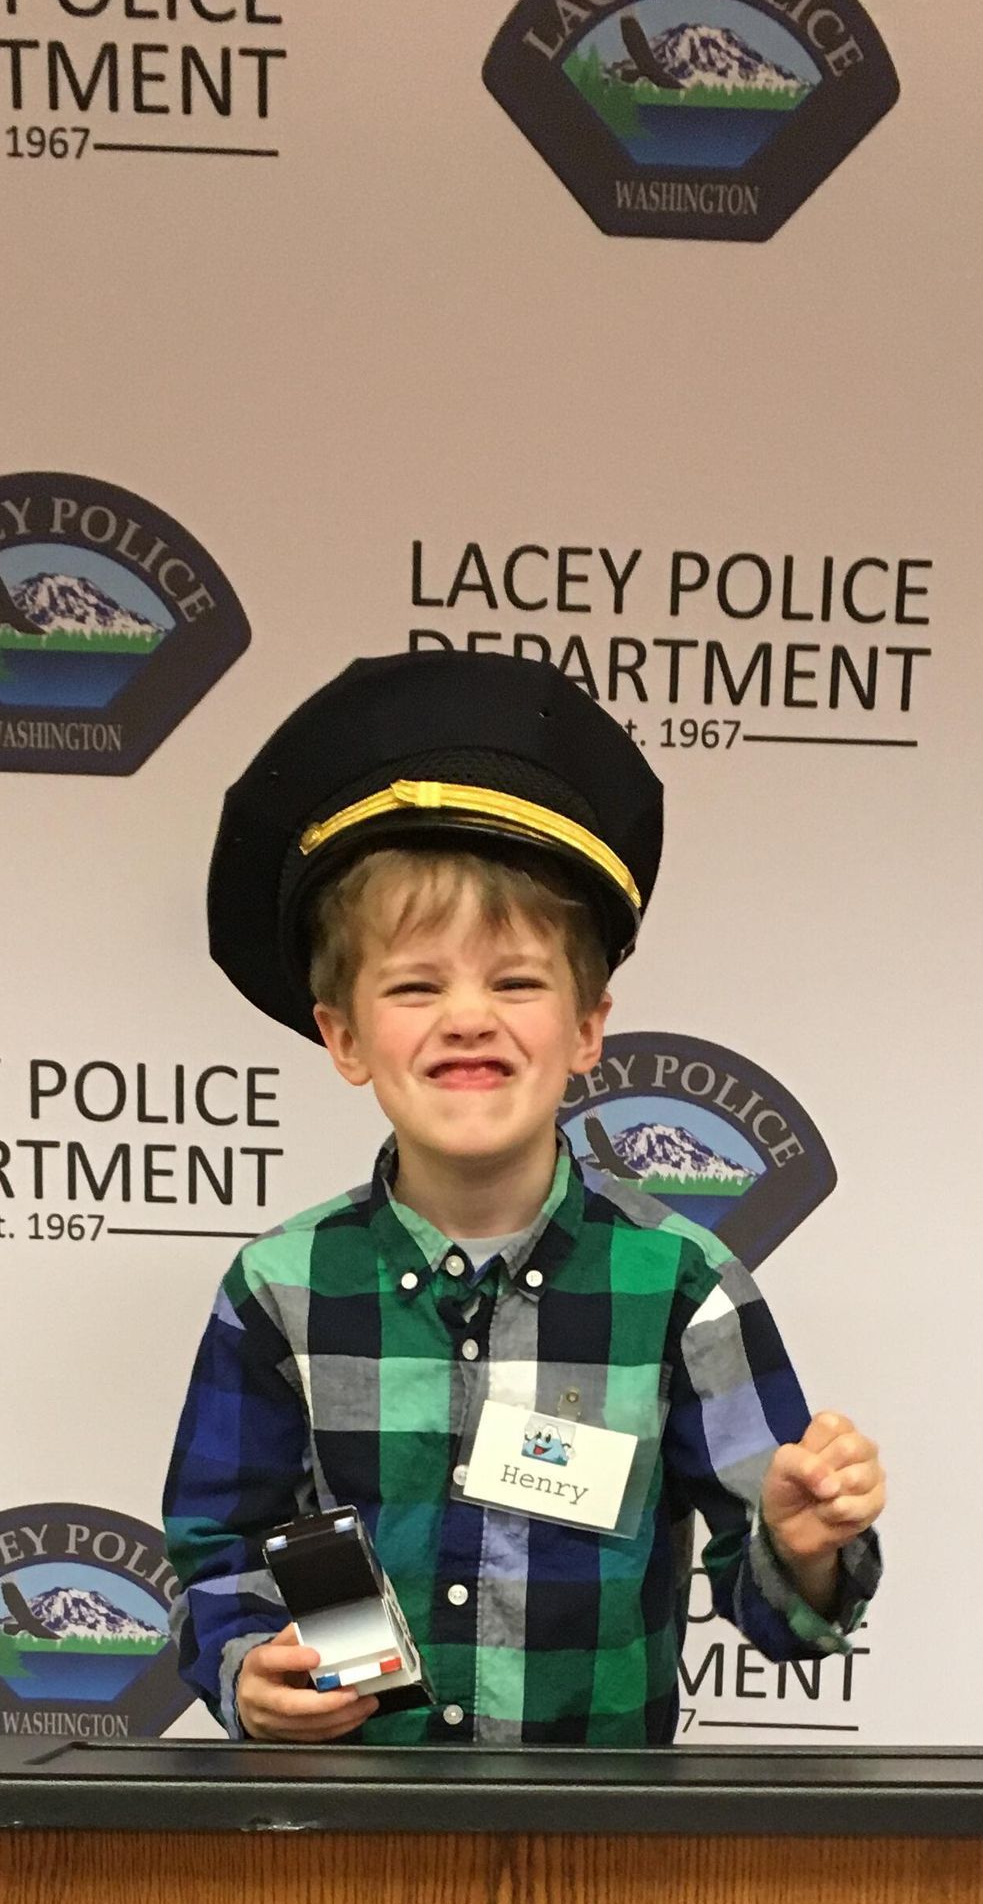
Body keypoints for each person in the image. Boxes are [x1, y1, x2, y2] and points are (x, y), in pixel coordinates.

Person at [164, 647, 883, 1745]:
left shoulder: (682, 1287)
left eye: (515, 981)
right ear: (344, 1037)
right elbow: (220, 1549)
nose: (468, 1017)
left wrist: (802, 1546)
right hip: (345, 1836)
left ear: (588, 1027)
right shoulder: (280, 1287)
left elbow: (782, 1614)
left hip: (594, 1840)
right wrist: (243, 1665)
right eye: (415, 985)